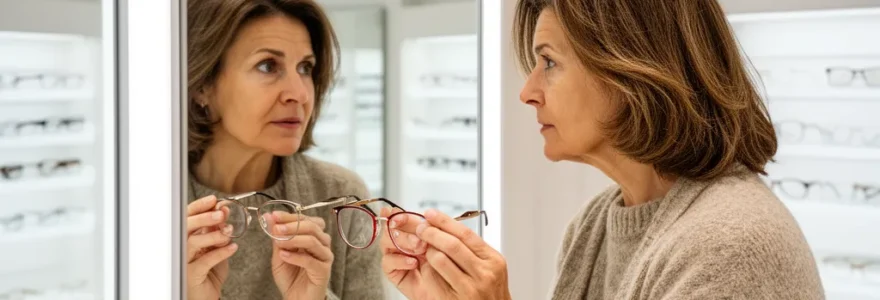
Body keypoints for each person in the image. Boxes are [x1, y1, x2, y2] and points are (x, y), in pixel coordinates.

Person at [379, 0, 825, 299]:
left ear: (630, 68)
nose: (528, 92)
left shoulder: (729, 245)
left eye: (549, 62)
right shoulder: (594, 226)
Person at [183, 1, 384, 299]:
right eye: (268, 66)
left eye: (305, 68)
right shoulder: (148, 206)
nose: (300, 94)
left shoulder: (343, 197)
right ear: (203, 84)